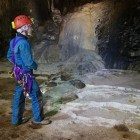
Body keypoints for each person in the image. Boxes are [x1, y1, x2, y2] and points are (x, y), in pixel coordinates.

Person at [7, 15, 51, 125]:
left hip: (18, 74)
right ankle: (38, 119)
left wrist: (17, 65)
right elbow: (29, 62)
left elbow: (9, 56)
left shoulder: (13, 41)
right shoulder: (24, 43)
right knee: (36, 95)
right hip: (27, 75)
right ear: (24, 28)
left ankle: (16, 120)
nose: (31, 28)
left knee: (19, 96)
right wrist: (35, 66)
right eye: (30, 26)